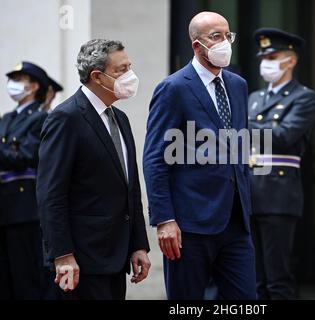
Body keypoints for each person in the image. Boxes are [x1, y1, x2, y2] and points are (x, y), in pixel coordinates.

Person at [143, 11, 256, 299]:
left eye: (227, 35)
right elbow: (155, 157)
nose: (225, 43)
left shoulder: (237, 85)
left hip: (235, 221)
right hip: (189, 224)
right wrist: (164, 218)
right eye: (216, 37)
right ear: (196, 45)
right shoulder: (174, 88)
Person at [37, 39, 151, 300]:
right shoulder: (66, 118)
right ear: (97, 76)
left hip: (116, 256)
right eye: (122, 70)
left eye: (129, 66)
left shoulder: (119, 118)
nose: (130, 75)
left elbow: (130, 188)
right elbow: (51, 193)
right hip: (80, 260)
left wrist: (139, 245)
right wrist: (62, 254)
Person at [248, 28, 315, 299]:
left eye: (273, 56)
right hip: (251, 191)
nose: (266, 62)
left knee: (278, 277)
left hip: (278, 194)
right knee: (255, 278)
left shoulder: (303, 97)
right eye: (264, 57)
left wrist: (243, 123)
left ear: (291, 60)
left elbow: (285, 136)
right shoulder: (254, 98)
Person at [0, 61, 50, 299]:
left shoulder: (41, 118)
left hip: (24, 207)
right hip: (5, 207)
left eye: (19, 79)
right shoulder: (7, 118)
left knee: (25, 278)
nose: (13, 85)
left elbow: (26, 156)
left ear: (33, 87)